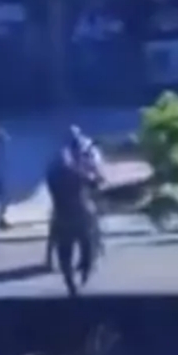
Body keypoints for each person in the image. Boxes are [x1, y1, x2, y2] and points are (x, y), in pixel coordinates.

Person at [45, 125, 105, 292]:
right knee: (87, 242)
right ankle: (84, 271)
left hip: (61, 213)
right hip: (81, 213)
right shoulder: (76, 170)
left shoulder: (53, 169)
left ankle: (70, 282)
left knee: (64, 249)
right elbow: (96, 182)